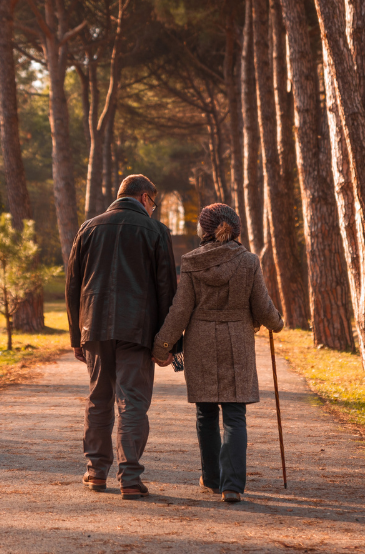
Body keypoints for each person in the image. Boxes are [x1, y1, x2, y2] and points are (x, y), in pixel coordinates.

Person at [150, 203, 283, 503]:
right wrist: (277, 322)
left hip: (201, 344)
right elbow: (263, 306)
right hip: (237, 340)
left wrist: (162, 345)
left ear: (204, 230)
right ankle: (232, 486)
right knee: (235, 415)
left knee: (206, 414)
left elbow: (180, 310)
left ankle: (211, 478)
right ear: (235, 228)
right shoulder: (249, 261)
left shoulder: (191, 262)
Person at [66, 174, 177, 500]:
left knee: (99, 400)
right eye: (153, 204)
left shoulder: (89, 228)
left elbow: (73, 285)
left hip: (96, 329)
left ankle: (95, 472)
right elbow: (167, 290)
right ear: (144, 197)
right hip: (137, 332)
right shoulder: (156, 232)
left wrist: (77, 336)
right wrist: (168, 344)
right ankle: (129, 478)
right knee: (132, 403)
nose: (153, 210)